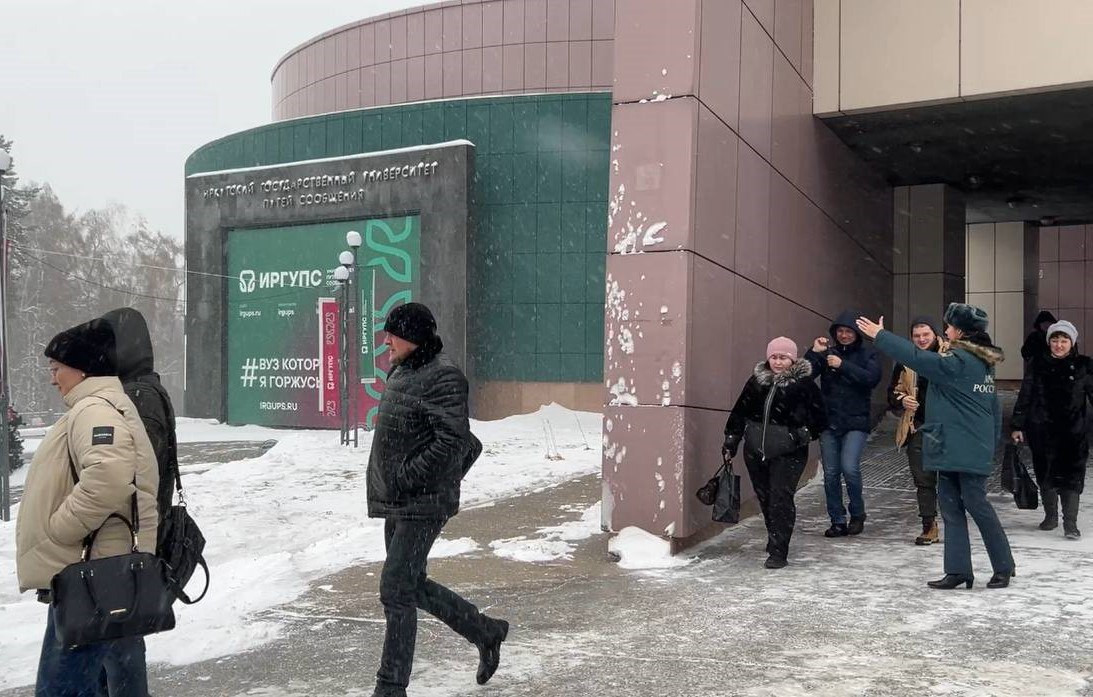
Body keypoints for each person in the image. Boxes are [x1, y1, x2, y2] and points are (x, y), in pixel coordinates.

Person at [366, 302, 508, 697]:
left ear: (413, 337)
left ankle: (390, 688)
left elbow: (451, 442)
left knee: (396, 590)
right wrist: (392, 483)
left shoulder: (444, 376)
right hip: (398, 500)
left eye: (393, 334)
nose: (386, 341)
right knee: (409, 586)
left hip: (423, 503)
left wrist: (406, 477)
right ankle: (486, 631)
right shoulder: (403, 369)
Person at [15, 319, 159, 695]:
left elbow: (108, 475)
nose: (52, 379)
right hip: (108, 575)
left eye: (56, 368)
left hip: (91, 581)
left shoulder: (94, 409)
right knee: (119, 681)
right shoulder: (102, 406)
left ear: (82, 369)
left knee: (62, 688)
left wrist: (61, 527)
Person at [857, 303, 1015, 590]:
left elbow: (918, 359)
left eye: (949, 326)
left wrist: (881, 335)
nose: (946, 331)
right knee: (951, 506)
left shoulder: (960, 360)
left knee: (976, 505)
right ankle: (958, 570)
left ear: (961, 331)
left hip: (965, 446)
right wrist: (989, 446)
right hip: (953, 444)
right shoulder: (980, 363)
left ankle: (1003, 566)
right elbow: (992, 409)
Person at [93, 307, 180, 696]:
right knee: (111, 644)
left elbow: (138, 472)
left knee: (119, 646)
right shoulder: (136, 390)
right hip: (125, 539)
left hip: (125, 542)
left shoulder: (139, 396)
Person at [722, 338, 827, 569]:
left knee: (780, 498)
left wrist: (801, 434)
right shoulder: (756, 381)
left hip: (789, 453)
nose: (778, 362)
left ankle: (779, 550)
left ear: (793, 359)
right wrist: (731, 440)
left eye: (783, 358)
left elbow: (821, 418)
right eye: (774, 357)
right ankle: (774, 535)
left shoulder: (804, 384)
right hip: (755, 450)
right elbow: (740, 411)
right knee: (766, 497)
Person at [1011, 320, 1093, 539]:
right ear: (1049, 342)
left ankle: (1070, 524)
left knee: (1072, 477)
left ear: (1072, 342)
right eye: (1055, 340)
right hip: (1042, 431)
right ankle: (1050, 516)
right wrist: (1017, 425)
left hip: (1074, 433)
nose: (1059, 345)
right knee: (1046, 474)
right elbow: (1025, 394)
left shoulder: (1084, 366)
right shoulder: (1038, 364)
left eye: (1064, 340)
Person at [805, 311, 882, 537]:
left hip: (856, 421)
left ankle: (857, 513)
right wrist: (814, 352)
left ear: (857, 334)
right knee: (831, 473)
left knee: (849, 468)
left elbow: (871, 379)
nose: (844, 335)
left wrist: (842, 365)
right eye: (840, 331)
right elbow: (804, 375)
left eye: (849, 331)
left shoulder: (868, 353)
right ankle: (837, 520)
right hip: (829, 422)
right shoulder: (828, 352)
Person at [886, 316, 945, 545]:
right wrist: (902, 400)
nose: (921, 339)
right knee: (923, 480)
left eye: (925, 334)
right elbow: (892, 392)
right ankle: (929, 526)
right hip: (917, 426)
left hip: (948, 428)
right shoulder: (906, 360)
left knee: (950, 480)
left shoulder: (950, 356)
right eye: (916, 336)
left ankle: (955, 524)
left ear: (935, 334)